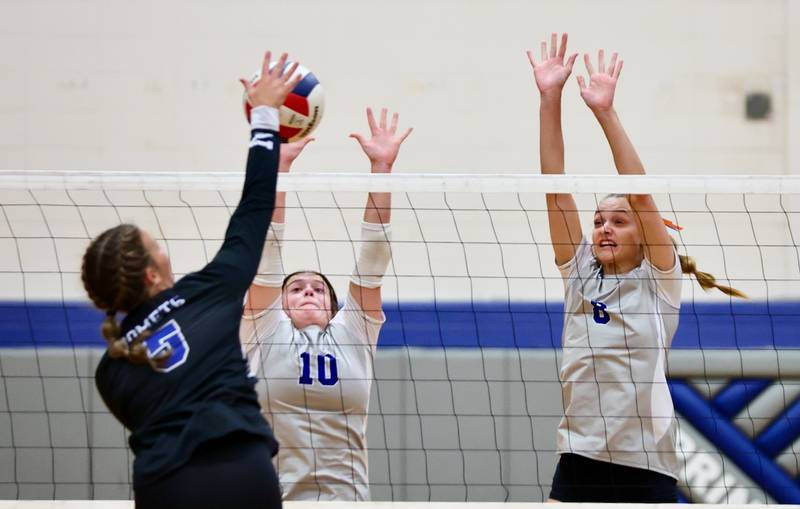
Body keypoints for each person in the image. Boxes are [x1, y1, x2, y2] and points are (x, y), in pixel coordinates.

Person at [528, 33, 746, 503]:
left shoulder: (659, 280)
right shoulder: (580, 273)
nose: (604, 228)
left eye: (619, 221)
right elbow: (554, 188)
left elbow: (643, 194)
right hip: (578, 460)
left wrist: (605, 113)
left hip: (644, 463)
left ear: (643, 234)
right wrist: (550, 99)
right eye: (599, 220)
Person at [82, 51, 300, 509]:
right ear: (151, 272)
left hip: (166, 488)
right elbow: (252, 212)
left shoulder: (110, 371)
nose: (165, 248)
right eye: (157, 244)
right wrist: (265, 118)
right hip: (242, 474)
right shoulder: (206, 295)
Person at [240, 107, 412, 501]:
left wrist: (381, 168)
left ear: (335, 309)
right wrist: (277, 171)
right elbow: (267, 250)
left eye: (318, 288)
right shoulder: (266, 330)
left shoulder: (353, 333)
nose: (308, 291)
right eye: (296, 288)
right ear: (279, 305)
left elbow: (374, 256)